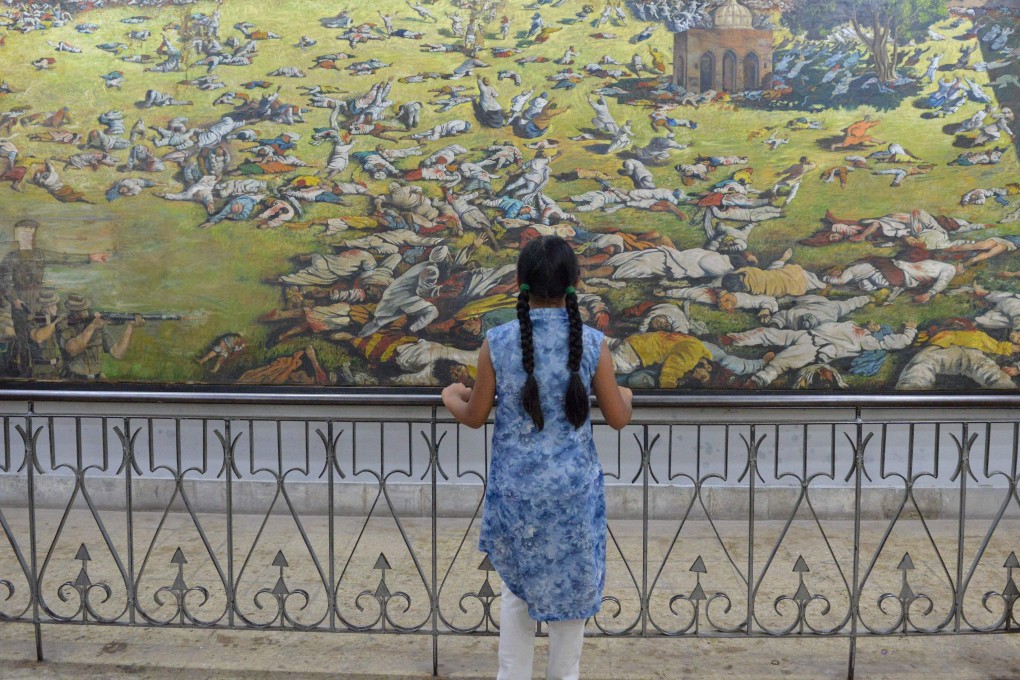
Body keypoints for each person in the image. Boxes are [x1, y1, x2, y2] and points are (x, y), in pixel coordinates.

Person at [441, 235, 632, 680]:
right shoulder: (592, 343)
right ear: (575, 281)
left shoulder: (498, 342)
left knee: (516, 593)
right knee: (572, 593)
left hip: (518, 494)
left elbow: (474, 414)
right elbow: (618, 416)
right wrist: (624, 394)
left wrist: (451, 396)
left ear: (518, 281)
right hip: (572, 494)